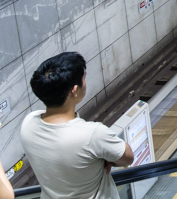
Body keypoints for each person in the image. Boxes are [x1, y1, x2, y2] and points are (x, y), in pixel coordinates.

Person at [21, 52, 135, 199]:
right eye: (84, 78)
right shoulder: (93, 134)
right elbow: (127, 157)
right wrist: (102, 159)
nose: (85, 82)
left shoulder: (28, 123)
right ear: (74, 90)